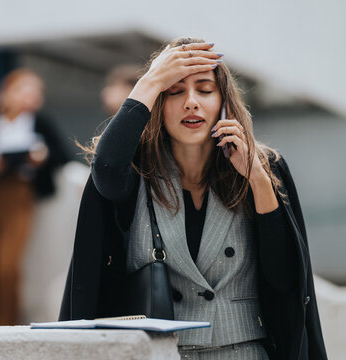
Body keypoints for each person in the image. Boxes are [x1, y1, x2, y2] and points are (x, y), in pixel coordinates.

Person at [59, 37, 327, 359]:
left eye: (204, 89)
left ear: (224, 101)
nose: (191, 102)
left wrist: (257, 179)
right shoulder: (135, 169)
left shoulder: (263, 167)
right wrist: (152, 78)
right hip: (158, 353)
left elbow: (286, 279)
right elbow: (105, 167)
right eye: (174, 91)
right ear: (157, 101)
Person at [0, 68, 70, 325]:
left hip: (20, 196)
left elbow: (64, 155)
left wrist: (42, 157)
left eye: (36, 90)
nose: (31, 95)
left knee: (7, 267)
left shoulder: (40, 123)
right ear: (8, 93)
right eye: (24, 89)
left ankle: (6, 324)